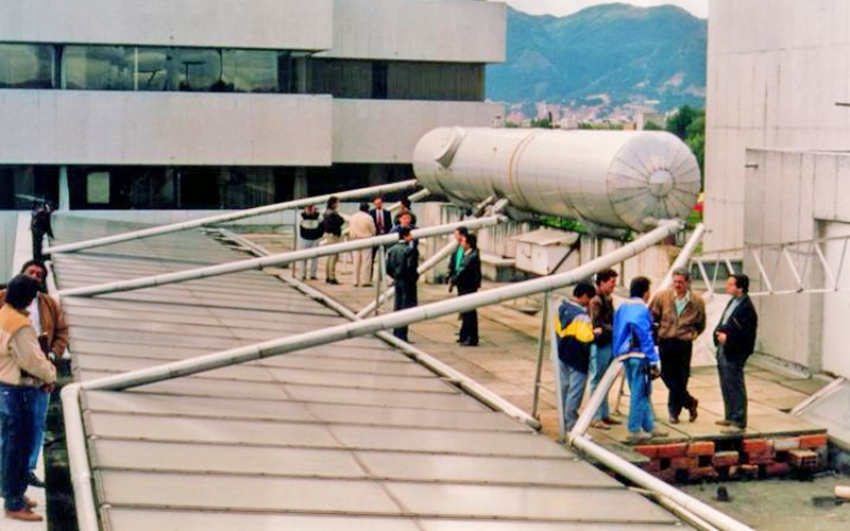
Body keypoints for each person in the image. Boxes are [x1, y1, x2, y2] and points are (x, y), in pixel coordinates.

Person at [0, 260, 69, 490]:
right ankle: (11, 482)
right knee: (14, 431)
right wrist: (49, 374)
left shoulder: (49, 304)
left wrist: (51, 354)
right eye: (32, 272)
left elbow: (62, 333)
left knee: (34, 426)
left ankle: (25, 471)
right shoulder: (10, 309)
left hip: (34, 373)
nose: (36, 277)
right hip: (18, 377)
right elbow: (26, 355)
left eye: (40, 274)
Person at [0, 275, 57, 523]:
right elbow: (32, 361)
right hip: (18, 391)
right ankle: (14, 502)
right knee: (19, 448)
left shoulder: (4, 315)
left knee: (9, 446)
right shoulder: (20, 326)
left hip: (4, 389)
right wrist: (50, 375)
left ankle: (12, 493)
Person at [613, 276, 666, 443]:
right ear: (645, 292)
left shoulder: (622, 307)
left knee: (639, 390)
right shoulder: (641, 310)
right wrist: (653, 358)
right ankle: (634, 429)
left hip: (625, 354)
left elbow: (616, 330)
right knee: (640, 392)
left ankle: (649, 425)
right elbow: (644, 334)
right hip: (639, 354)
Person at [650, 268, 706, 425]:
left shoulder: (697, 302)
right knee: (667, 375)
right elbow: (653, 316)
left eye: (681, 282)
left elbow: (701, 324)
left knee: (681, 379)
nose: (677, 285)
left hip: (684, 343)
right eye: (675, 281)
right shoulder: (663, 297)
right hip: (666, 341)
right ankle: (690, 402)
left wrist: (692, 334)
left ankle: (674, 412)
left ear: (687, 282)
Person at [714, 274, 758, 434]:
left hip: (735, 350)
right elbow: (725, 321)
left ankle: (738, 421)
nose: (727, 287)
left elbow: (746, 334)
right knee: (726, 383)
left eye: (731, 284)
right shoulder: (733, 301)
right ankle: (730, 415)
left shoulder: (747, 308)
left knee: (735, 383)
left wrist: (729, 338)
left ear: (740, 288)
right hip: (723, 347)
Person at [554, 281, 597, 434]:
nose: (591, 302)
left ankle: (562, 420)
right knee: (575, 391)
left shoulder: (561, 308)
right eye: (590, 298)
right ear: (585, 296)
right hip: (578, 357)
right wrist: (595, 333)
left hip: (562, 352)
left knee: (563, 386)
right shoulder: (582, 316)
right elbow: (586, 337)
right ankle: (571, 423)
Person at [587, 268, 621, 430]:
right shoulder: (596, 301)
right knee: (596, 380)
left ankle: (604, 414)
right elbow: (595, 325)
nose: (614, 286)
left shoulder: (607, 299)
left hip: (607, 343)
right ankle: (595, 416)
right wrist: (612, 329)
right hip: (599, 344)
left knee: (604, 380)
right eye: (612, 282)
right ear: (602, 282)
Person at [385, 227, 419, 342]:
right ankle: (403, 334)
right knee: (406, 308)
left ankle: (396, 331)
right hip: (407, 281)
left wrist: (395, 275)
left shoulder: (392, 250)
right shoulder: (410, 251)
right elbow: (411, 267)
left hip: (397, 280)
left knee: (398, 305)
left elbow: (388, 268)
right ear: (406, 236)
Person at [448, 233, 482, 347]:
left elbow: (461, 271)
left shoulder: (471, 257)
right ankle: (465, 335)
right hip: (466, 287)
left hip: (467, 287)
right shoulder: (469, 254)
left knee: (469, 313)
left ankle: (470, 338)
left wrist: (452, 281)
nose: (461, 243)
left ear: (468, 243)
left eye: (463, 241)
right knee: (466, 312)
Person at [349, 202, 377, 287]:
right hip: (366, 239)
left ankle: (355, 280)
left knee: (356, 262)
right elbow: (373, 230)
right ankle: (365, 280)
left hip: (355, 239)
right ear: (367, 209)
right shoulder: (368, 217)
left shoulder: (353, 217)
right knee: (366, 261)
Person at [321, 196, 345, 285]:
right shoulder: (332, 214)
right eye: (337, 202)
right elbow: (340, 221)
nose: (338, 204)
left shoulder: (326, 213)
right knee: (333, 256)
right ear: (334, 203)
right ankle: (332, 277)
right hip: (333, 236)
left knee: (330, 256)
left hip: (328, 235)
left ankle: (328, 275)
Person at [297, 205, 323, 281]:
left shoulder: (318, 215)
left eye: (311, 208)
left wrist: (319, 236)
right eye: (308, 208)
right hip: (305, 238)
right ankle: (302, 273)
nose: (310, 210)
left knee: (315, 258)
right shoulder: (301, 215)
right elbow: (299, 227)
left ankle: (313, 274)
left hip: (315, 238)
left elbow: (322, 225)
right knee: (303, 258)